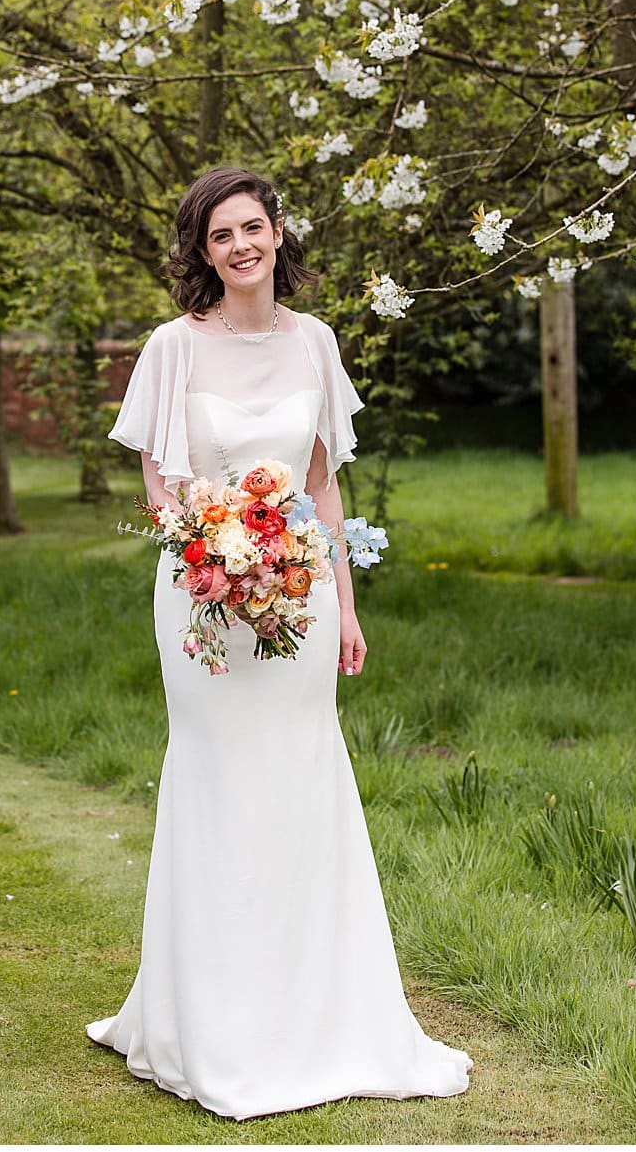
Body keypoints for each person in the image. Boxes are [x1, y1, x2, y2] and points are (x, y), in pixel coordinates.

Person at [86, 166, 472, 1120]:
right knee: (219, 783)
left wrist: (344, 604)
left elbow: (325, 487)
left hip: (298, 603)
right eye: (220, 236)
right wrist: (219, 546)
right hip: (206, 602)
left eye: (251, 228)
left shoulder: (318, 343)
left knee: (301, 782)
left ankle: (319, 1013)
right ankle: (209, 1021)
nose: (240, 246)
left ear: (277, 233)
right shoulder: (173, 348)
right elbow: (160, 493)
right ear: (202, 251)